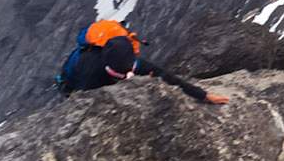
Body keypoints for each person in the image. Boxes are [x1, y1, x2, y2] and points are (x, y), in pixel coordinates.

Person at [57, 21, 228, 104]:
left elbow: (165, 76)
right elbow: (82, 100)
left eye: (131, 70)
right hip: (73, 81)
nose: (130, 74)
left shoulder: (127, 61)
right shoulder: (89, 72)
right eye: (124, 74)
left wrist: (203, 95)